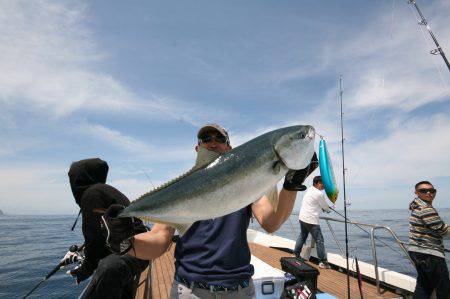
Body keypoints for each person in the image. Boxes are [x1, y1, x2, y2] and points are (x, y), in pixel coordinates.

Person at [102, 123, 318, 299]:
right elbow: (159, 240)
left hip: (239, 291)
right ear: (198, 149)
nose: (212, 142)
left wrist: (291, 186)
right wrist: (126, 244)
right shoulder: (179, 191)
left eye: (219, 139)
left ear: (229, 148)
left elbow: (271, 223)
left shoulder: (252, 185)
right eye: (206, 139)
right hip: (189, 291)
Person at [67, 158, 148, 298]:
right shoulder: (108, 191)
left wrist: (84, 270)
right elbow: (106, 231)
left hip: (126, 257)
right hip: (140, 252)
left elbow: (94, 239)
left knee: (108, 270)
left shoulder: (91, 195)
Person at [408, 181, 449, 298]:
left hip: (417, 252)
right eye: (424, 190)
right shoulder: (426, 209)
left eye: (432, 190)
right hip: (430, 254)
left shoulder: (417, 206)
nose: (429, 193)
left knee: (424, 286)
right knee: (444, 289)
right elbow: (442, 229)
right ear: (416, 192)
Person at [293, 176, 332, 269]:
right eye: (321, 183)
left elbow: (314, 203)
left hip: (302, 217)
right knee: (319, 240)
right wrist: (328, 209)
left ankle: (296, 254)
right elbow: (326, 207)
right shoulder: (319, 194)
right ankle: (322, 262)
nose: (323, 185)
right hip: (311, 220)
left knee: (302, 236)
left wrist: (322, 207)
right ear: (316, 183)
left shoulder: (310, 189)